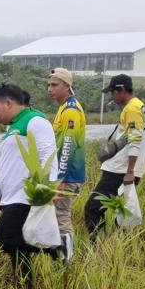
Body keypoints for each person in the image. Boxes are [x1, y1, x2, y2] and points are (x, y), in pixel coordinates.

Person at [0, 83, 59, 285]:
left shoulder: (35, 121)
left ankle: (52, 248)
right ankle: (26, 286)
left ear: (8, 102)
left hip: (28, 196)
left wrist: (47, 191)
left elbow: (49, 157)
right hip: (11, 197)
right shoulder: (11, 128)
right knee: (16, 245)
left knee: (2, 240)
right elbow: (4, 168)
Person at [85, 74, 145, 233]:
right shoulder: (139, 106)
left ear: (121, 90)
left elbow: (135, 140)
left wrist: (130, 172)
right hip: (124, 169)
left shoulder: (132, 108)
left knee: (93, 208)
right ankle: (117, 249)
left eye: (112, 92)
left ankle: (98, 247)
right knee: (120, 210)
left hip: (120, 171)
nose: (111, 96)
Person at [47, 68, 86, 263]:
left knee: (61, 216)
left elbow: (68, 145)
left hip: (67, 175)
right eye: (49, 85)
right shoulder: (64, 107)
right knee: (56, 215)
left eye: (54, 85)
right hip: (62, 173)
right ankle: (58, 258)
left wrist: (60, 179)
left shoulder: (71, 110)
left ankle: (66, 261)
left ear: (67, 86)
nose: (49, 89)